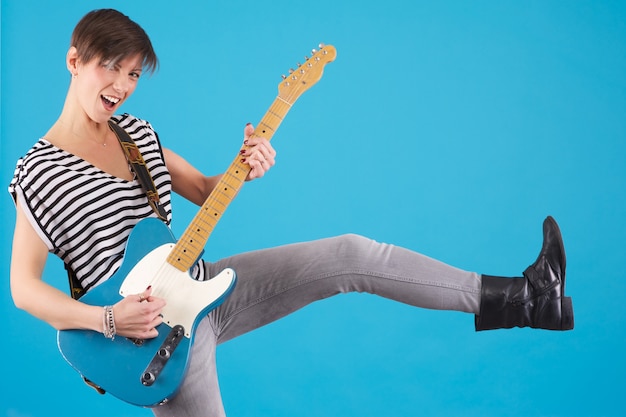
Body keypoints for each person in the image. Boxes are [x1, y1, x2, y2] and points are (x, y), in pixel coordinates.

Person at [8, 8, 573, 417]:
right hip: (151, 334)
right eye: (112, 67)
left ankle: (526, 297)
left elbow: (206, 191)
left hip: (205, 286)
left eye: (134, 74)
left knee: (351, 253)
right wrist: (108, 320)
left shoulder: (136, 134)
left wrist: (243, 163)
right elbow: (24, 289)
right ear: (74, 60)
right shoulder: (38, 170)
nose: (123, 86)